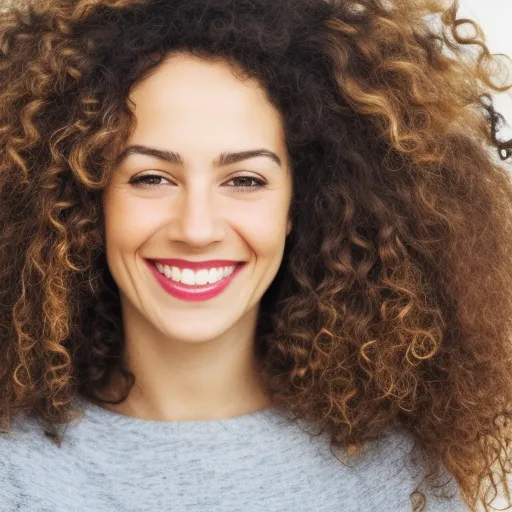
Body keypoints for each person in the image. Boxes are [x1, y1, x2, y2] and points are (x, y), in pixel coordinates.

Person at [0, 0, 511, 510]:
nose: (196, 229)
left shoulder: (402, 479)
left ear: (299, 204)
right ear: (87, 200)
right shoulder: (14, 473)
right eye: (151, 178)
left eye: (245, 180)